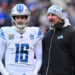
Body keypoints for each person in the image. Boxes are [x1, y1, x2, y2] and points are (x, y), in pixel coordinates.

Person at [0, 3, 42, 75]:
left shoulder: (35, 32)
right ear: (13, 18)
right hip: (11, 72)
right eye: (17, 17)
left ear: (27, 18)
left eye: (22, 17)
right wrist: (5, 73)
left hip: (29, 72)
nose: (20, 20)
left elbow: (39, 58)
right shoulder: (6, 31)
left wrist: (34, 72)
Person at [41, 4, 75, 75]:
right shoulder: (47, 34)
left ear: (60, 17)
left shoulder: (71, 33)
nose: (50, 18)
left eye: (53, 15)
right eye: (48, 15)